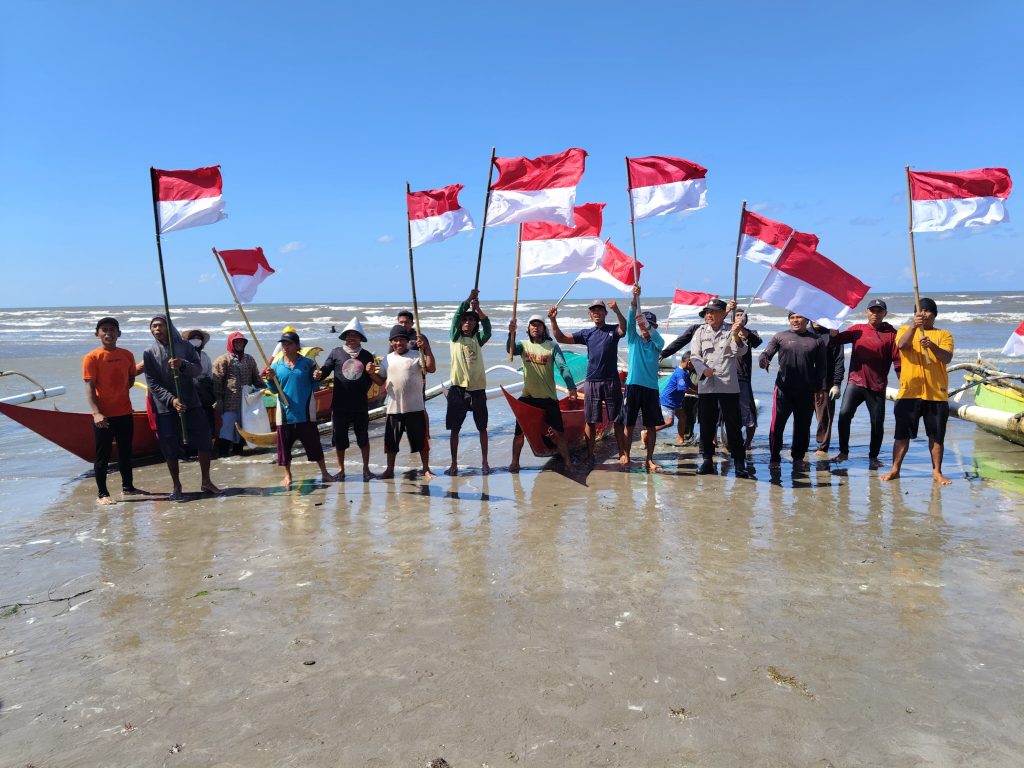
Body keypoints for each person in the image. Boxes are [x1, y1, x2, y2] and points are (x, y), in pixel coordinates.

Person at [143, 316, 220, 499]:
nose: (157, 329)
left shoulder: (185, 347)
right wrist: (171, 399)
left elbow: (198, 369)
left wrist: (182, 365)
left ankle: (206, 481)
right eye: (153, 326)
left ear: (169, 327)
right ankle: (177, 485)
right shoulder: (149, 352)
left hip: (191, 402)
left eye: (161, 325)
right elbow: (152, 383)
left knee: (203, 440)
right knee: (169, 446)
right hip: (166, 408)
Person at [881, 298, 954, 485]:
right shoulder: (906, 330)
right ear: (915, 315)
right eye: (920, 311)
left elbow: (946, 358)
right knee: (901, 434)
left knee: (936, 436)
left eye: (929, 311)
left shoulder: (944, 334)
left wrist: (932, 346)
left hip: (936, 393)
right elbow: (901, 346)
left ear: (935, 315)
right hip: (909, 392)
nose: (924, 314)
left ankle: (937, 472)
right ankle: (895, 469)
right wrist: (914, 327)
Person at [549, 298, 627, 463]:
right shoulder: (587, 333)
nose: (597, 313)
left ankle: (622, 453)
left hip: (612, 381)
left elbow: (624, 328)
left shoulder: (613, 330)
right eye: (594, 310)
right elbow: (561, 338)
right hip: (592, 382)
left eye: (600, 310)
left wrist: (617, 311)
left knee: (618, 420)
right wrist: (553, 320)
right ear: (590, 314)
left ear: (605, 313)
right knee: (590, 421)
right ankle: (590, 454)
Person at [829, 299, 899, 467]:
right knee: (844, 415)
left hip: (877, 385)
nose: (875, 313)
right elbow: (836, 339)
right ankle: (843, 452)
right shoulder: (858, 330)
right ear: (866, 312)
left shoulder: (892, 334)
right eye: (872, 310)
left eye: (879, 311)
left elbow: (898, 362)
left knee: (877, 422)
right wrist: (833, 329)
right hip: (855, 382)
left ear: (885, 314)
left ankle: (873, 457)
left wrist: (904, 383)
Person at [83, 317, 145, 504]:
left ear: (119, 333)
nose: (108, 333)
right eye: (104, 330)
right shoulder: (91, 357)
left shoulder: (127, 354)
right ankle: (102, 494)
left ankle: (128, 487)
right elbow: (89, 387)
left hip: (125, 412)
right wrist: (96, 413)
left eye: (112, 330)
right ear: (97, 334)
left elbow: (131, 380)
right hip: (104, 415)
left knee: (126, 452)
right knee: (103, 455)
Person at [506, 314, 578, 471]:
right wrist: (510, 333)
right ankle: (515, 462)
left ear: (544, 329)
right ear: (528, 329)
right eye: (532, 325)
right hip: (528, 397)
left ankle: (567, 463)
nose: (535, 327)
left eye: (538, 325)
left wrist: (571, 387)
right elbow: (510, 349)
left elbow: (563, 368)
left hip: (548, 398)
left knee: (559, 433)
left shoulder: (552, 346)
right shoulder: (523, 345)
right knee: (519, 433)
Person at [315, 317, 383, 481]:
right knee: (340, 440)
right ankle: (341, 469)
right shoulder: (336, 353)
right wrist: (317, 374)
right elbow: (324, 371)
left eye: (355, 335)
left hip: (360, 405)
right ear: (344, 337)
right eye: (348, 335)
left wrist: (372, 372)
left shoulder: (367, 356)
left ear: (361, 338)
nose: (351, 338)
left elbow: (377, 381)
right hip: (339, 406)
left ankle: (366, 470)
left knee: (363, 439)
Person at [758, 312, 828, 468]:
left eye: (799, 317)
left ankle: (798, 457)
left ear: (807, 319)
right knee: (777, 425)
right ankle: (775, 458)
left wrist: (821, 389)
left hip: (806, 390)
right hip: (784, 389)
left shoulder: (816, 340)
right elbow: (766, 353)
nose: (795, 320)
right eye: (792, 318)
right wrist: (763, 360)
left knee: (803, 426)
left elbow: (822, 367)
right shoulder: (780, 336)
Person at [265, 330, 333, 488]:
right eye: (283, 344)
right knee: (285, 450)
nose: (285, 347)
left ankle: (324, 472)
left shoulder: (308, 364)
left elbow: (315, 385)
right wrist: (269, 379)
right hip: (285, 415)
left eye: (289, 344)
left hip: (306, 414)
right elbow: (274, 390)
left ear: (297, 346)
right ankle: (288, 476)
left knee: (315, 446)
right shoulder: (276, 366)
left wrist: (317, 376)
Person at [691, 298, 749, 477]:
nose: (709, 314)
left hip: (728, 385)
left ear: (723, 313)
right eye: (708, 311)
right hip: (707, 385)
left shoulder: (731, 330)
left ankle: (739, 462)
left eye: (713, 311)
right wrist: (703, 370)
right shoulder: (700, 332)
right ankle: (707, 460)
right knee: (706, 425)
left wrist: (736, 336)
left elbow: (741, 351)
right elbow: (694, 355)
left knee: (733, 426)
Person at [380, 325, 436, 479]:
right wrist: (371, 373)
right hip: (393, 409)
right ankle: (389, 469)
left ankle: (426, 469)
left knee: (422, 442)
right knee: (391, 443)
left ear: (407, 341)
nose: (399, 343)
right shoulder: (387, 359)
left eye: (402, 340)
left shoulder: (416, 355)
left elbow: (431, 369)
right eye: (396, 340)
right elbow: (380, 380)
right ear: (391, 343)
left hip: (415, 407)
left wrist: (427, 348)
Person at [445, 289, 492, 475]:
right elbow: (456, 316)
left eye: (471, 320)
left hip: (477, 389)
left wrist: (478, 309)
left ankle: (485, 462)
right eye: (465, 320)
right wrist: (468, 299)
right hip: (458, 389)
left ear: (475, 324)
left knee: (482, 428)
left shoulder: (478, 340)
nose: (467, 322)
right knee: (455, 429)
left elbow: (488, 328)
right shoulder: (455, 337)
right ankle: (454, 463)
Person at [621, 285, 665, 471]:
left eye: (649, 325)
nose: (645, 328)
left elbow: (661, 342)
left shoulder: (656, 344)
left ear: (653, 326)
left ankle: (649, 459)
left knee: (651, 426)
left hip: (651, 388)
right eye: (643, 325)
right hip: (633, 386)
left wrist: (646, 324)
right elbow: (630, 322)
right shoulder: (633, 339)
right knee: (629, 424)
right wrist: (634, 299)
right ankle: (626, 455)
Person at [212, 331, 265, 457]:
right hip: (229, 400)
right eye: (236, 342)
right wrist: (218, 399)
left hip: (246, 401)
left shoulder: (249, 359)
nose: (239, 344)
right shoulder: (223, 360)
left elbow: (256, 378)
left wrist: (265, 387)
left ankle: (238, 451)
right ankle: (223, 453)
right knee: (228, 426)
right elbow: (217, 381)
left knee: (243, 425)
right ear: (231, 343)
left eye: (241, 342)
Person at [645, 352, 697, 446]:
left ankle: (680, 439)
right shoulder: (680, 373)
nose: (695, 366)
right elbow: (684, 389)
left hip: (676, 401)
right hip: (668, 400)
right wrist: (699, 393)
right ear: (689, 362)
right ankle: (646, 432)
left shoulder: (685, 372)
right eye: (695, 363)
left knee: (682, 418)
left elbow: (691, 385)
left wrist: (701, 390)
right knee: (669, 422)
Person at [659, 299, 737, 360]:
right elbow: (680, 342)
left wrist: (728, 310)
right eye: (706, 314)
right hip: (699, 369)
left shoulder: (724, 329)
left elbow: (719, 319)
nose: (708, 316)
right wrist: (664, 354)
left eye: (711, 313)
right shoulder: (697, 329)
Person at [811, 321, 846, 456]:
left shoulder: (832, 335)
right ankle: (801, 444)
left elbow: (839, 360)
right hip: (805, 384)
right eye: (814, 317)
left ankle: (823, 446)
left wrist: (836, 383)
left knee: (824, 418)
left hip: (825, 384)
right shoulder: (804, 333)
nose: (816, 321)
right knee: (802, 418)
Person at [183, 328, 216, 455]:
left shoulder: (205, 356)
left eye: (198, 338)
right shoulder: (184, 356)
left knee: (207, 419)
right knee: (190, 421)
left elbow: (209, 374)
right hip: (189, 391)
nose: (196, 340)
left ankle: (206, 446)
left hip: (204, 393)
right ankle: (190, 449)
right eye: (193, 337)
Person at [733, 309, 762, 450]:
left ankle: (747, 443)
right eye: (737, 315)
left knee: (749, 412)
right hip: (725, 377)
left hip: (743, 377)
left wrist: (743, 331)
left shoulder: (751, 333)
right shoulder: (726, 331)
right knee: (720, 411)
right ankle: (715, 441)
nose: (740, 317)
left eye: (742, 315)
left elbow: (757, 342)